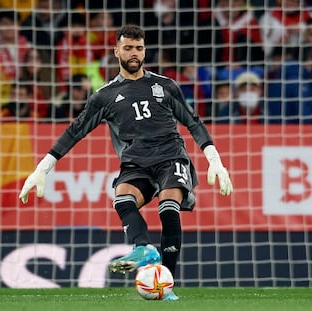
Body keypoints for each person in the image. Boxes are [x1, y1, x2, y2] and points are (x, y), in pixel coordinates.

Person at [18, 24, 233, 300]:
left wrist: (215, 160)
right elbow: (75, 131)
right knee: (122, 198)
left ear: (145, 51)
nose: (134, 54)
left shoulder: (165, 86)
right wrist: (41, 169)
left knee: (169, 208)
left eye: (139, 48)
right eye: (129, 48)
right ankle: (143, 248)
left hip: (171, 156)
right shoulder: (105, 97)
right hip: (136, 164)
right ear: (116, 51)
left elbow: (193, 122)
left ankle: (166, 284)